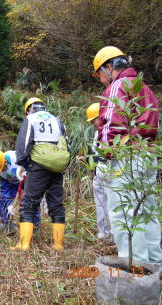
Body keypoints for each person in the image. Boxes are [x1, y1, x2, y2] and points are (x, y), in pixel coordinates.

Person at [92, 46, 161, 265]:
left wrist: (105, 155)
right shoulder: (144, 87)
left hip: (125, 157)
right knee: (147, 212)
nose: (102, 80)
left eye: (101, 75)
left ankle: (135, 269)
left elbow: (112, 123)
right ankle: (155, 266)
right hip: (147, 156)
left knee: (124, 214)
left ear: (109, 67)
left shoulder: (118, 85)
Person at [12, 97, 68, 251]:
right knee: (56, 204)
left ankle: (24, 244)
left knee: (29, 203)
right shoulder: (57, 121)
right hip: (57, 165)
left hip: (38, 166)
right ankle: (58, 245)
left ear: (29, 110)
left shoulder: (31, 119)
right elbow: (65, 143)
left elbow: (24, 143)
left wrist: (23, 164)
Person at [77, 103, 112, 242]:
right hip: (99, 172)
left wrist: (89, 159)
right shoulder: (98, 133)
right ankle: (103, 236)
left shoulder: (111, 131)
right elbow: (98, 158)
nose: (92, 124)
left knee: (111, 205)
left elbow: (107, 156)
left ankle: (112, 237)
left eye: (93, 120)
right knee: (101, 205)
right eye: (91, 122)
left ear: (101, 116)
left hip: (110, 171)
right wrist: (87, 160)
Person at [0, 150, 40, 231]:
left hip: (26, 181)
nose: (1, 171)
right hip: (10, 183)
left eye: (2, 168)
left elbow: (35, 165)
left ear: (5, 162)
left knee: (30, 200)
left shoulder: (18, 157)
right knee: (0, 197)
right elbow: (3, 187)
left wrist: (28, 173)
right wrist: (9, 205)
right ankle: (7, 224)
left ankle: (33, 226)